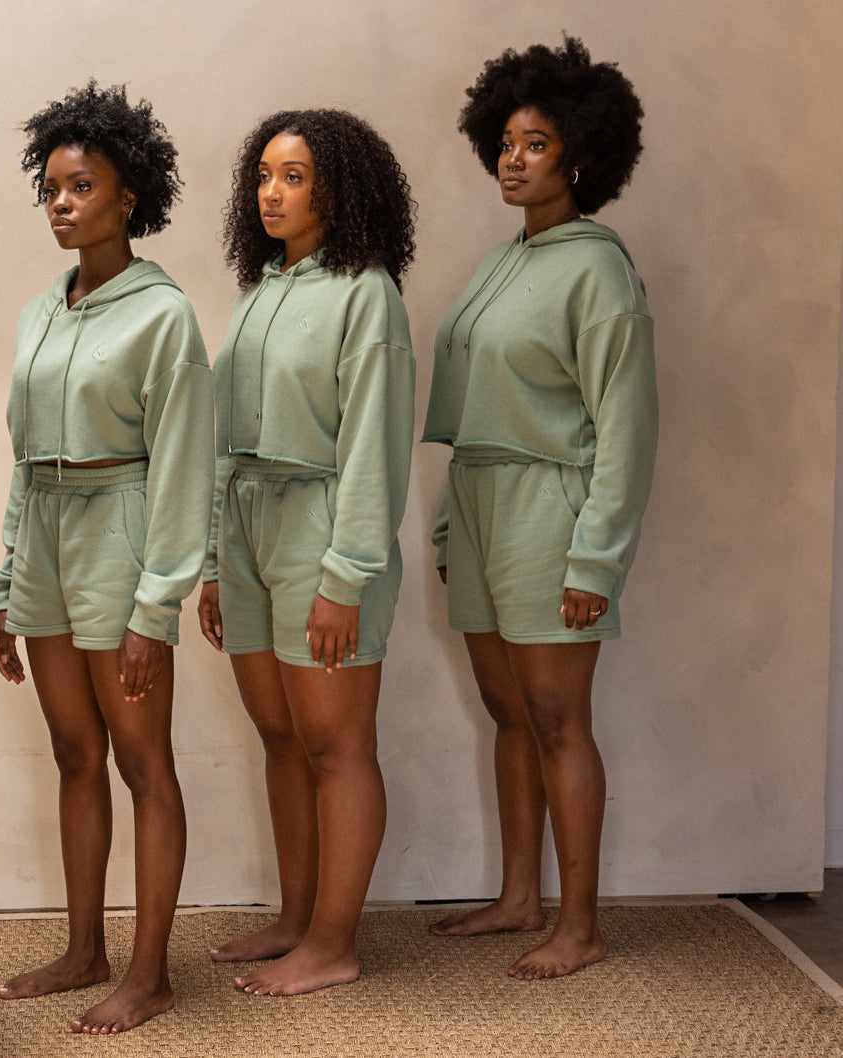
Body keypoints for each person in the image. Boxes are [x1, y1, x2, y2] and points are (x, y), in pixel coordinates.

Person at [423, 37, 657, 980]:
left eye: (535, 143)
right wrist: (447, 521)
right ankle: (520, 897)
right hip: (480, 507)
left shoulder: (597, 270)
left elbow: (625, 430)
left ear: (580, 156)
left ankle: (580, 924)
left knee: (558, 716)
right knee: (504, 708)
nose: (512, 160)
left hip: (549, 513)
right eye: (506, 142)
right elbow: (474, 411)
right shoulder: (500, 262)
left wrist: (592, 560)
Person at [0, 81, 213, 1035]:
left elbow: (184, 465)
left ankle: (151, 973)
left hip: (122, 531)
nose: (62, 203)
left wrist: (154, 608)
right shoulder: (41, 311)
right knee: (72, 752)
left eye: (81, 187)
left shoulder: (163, 315)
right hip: (44, 534)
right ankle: (85, 949)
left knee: (138, 758)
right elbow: (24, 456)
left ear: (130, 197)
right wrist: (4, 583)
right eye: (51, 189)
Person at [197, 109, 417, 997]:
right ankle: (294, 920)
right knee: (279, 739)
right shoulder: (257, 295)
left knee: (335, 746)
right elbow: (220, 439)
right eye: (262, 176)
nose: (271, 193)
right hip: (247, 529)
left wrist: (345, 577)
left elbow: (374, 444)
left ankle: (333, 942)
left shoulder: (367, 294)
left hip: (323, 532)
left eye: (293, 175)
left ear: (339, 185)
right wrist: (214, 562)